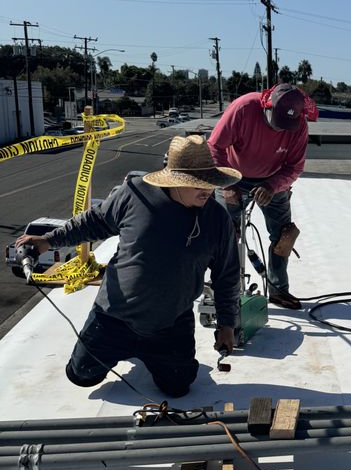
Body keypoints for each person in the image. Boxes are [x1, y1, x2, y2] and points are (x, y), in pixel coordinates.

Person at [15, 135, 241, 397]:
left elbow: (227, 275)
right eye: (198, 184)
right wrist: (48, 241)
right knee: (81, 377)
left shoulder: (217, 219)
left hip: (170, 323)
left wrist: (226, 324)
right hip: (112, 317)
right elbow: (92, 222)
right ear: (176, 181)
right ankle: (124, 351)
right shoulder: (135, 195)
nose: (207, 190)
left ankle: (153, 356)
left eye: (210, 183)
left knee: (178, 388)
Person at [208, 82, 318, 310]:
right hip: (233, 176)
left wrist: (272, 186)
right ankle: (224, 289)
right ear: (266, 105)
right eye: (276, 122)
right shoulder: (243, 108)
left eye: (284, 126)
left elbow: (295, 167)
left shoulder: (299, 126)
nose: (279, 130)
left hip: (273, 180)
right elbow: (215, 147)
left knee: (283, 236)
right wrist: (227, 184)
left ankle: (278, 291)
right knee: (225, 235)